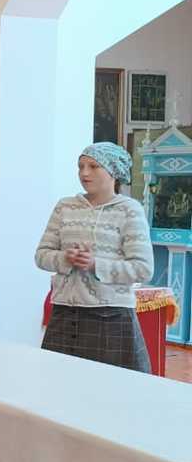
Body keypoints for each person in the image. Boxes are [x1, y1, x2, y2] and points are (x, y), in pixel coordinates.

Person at [35, 142, 153, 372]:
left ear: (113, 171)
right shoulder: (65, 207)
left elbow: (143, 268)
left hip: (112, 317)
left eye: (93, 166)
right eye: (80, 166)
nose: (84, 173)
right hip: (64, 313)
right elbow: (41, 256)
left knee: (111, 389)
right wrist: (65, 258)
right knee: (59, 385)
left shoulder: (129, 210)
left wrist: (95, 265)